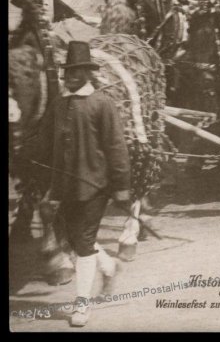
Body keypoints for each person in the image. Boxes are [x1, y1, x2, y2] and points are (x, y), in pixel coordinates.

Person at [37, 41, 131, 327]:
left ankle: (81, 304)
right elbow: (44, 142)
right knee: (77, 238)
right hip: (65, 186)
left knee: (84, 242)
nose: (71, 77)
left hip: (95, 186)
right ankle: (109, 267)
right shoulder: (60, 104)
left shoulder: (101, 103)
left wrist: (121, 187)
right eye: (68, 72)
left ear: (89, 73)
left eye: (77, 72)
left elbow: (116, 148)